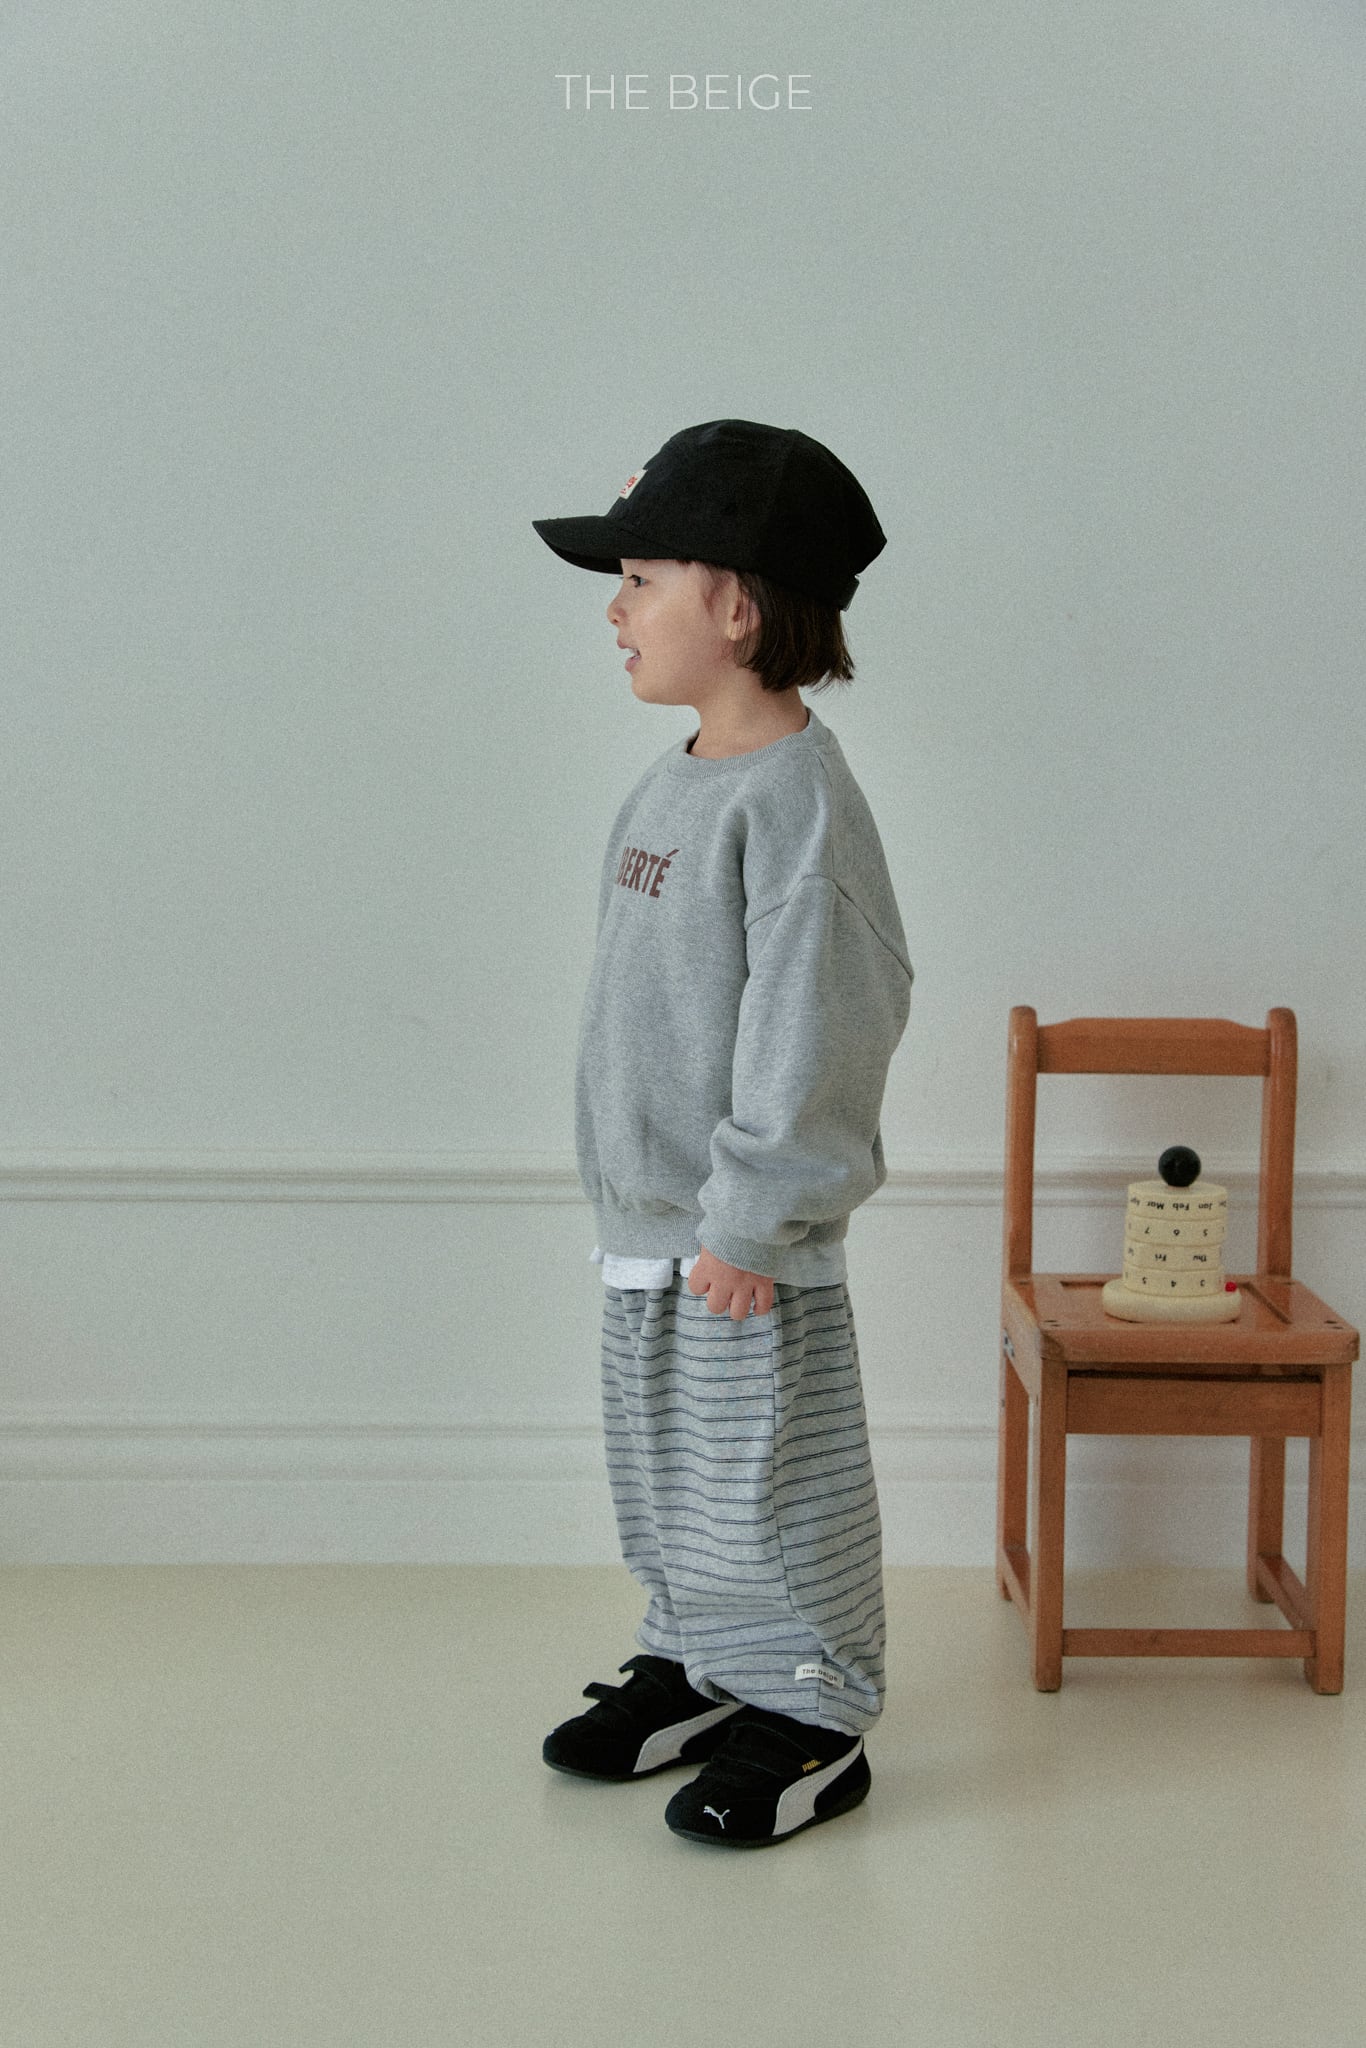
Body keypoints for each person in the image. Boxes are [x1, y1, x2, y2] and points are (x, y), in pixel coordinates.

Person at [532, 419, 913, 1848]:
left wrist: (753, 1216)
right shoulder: (675, 777)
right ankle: (699, 1657)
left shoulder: (798, 804)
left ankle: (813, 1707)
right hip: (649, 1219)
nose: (616, 609)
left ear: (737, 605)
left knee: (769, 1477)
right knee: (666, 1470)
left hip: (741, 1234)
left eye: (640, 579)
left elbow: (821, 1020)